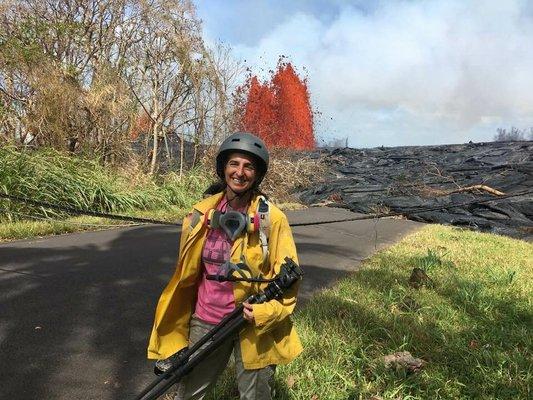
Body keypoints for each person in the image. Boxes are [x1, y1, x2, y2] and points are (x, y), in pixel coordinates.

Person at [147, 132, 302, 400]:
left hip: (254, 323)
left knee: (256, 396)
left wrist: (266, 312)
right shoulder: (199, 214)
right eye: (234, 164)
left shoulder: (272, 219)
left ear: (258, 174)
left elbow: (290, 276)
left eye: (248, 166)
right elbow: (187, 271)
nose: (240, 173)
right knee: (190, 394)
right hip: (206, 320)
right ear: (223, 168)